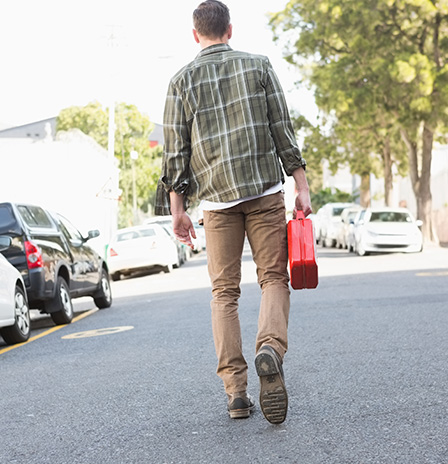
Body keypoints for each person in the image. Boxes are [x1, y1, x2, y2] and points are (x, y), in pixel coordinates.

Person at [155, 0, 311, 425]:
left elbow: (175, 155)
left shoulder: (181, 80)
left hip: (217, 204)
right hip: (262, 191)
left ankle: (237, 394)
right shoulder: (259, 66)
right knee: (274, 278)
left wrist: (177, 210)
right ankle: (270, 349)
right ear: (229, 29)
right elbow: (283, 129)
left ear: (195, 35)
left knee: (224, 293)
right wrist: (301, 184)